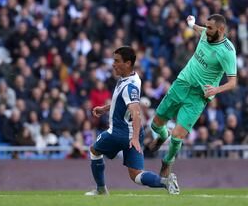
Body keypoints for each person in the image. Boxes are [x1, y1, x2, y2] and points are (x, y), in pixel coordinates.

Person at [148, 14, 237, 178]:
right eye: (206, 27)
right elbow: (199, 29)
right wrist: (191, 24)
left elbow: (233, 82)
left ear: (221, 29)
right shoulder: (206, 33)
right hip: (181, 83)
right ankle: (162, 135)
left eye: (210, 28)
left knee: (178, 136)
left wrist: (216, 90)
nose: (206, 31)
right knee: (155, 125)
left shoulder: (227, 52)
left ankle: (167, 161)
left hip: (198, 96)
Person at [85, 47, 179, 196]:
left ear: (128, 63)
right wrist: (105, 108)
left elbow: (136, 113)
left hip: (118, 133)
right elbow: (124, 103)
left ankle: (101, 189)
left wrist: (134, 138)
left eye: (117, 61)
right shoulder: (133, 79)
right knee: (136, 175)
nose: (113, 64)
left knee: (94, 151)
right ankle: (165, 182)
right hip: (133, 133)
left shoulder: (129, 86)